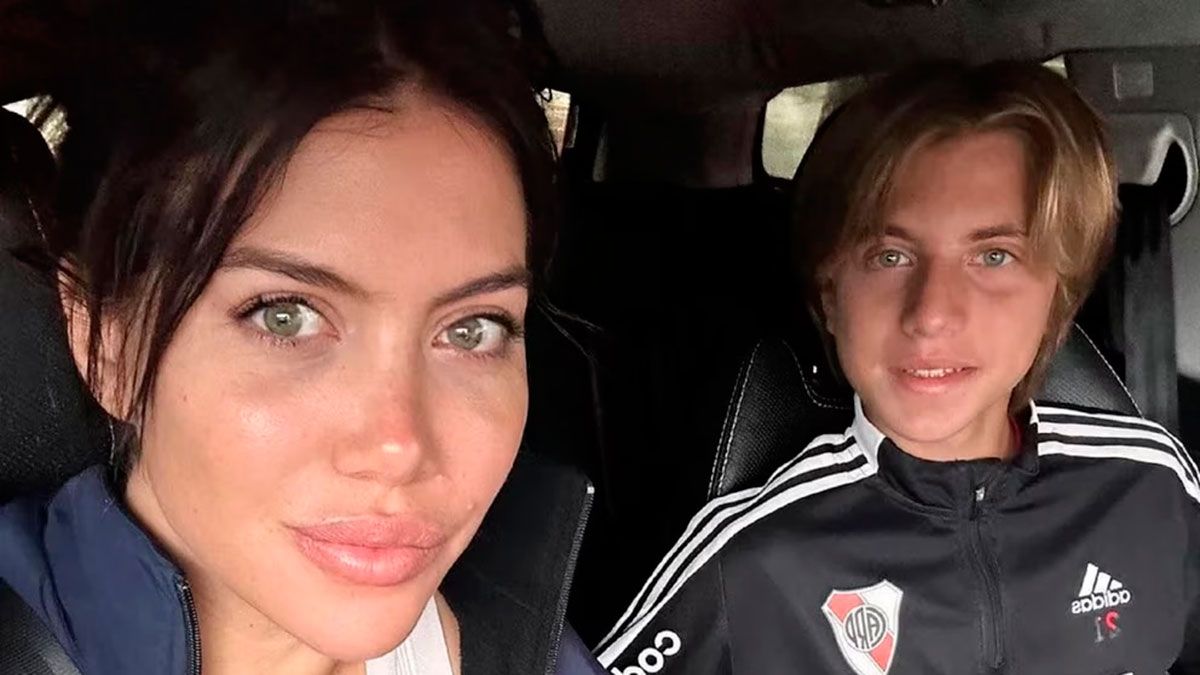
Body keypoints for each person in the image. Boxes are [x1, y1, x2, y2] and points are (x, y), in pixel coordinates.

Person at [0, 2, 606, 674]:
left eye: (472, 329)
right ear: (105, 341)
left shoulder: (533, 650)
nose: (399, 449)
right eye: (284, 316)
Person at [594, 61, 1200, 674]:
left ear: (1057, 297)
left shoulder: (1151, 486)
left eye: (993, 256)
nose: (931, 315)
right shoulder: (750, 559)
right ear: (831, 297)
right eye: (890, 256)